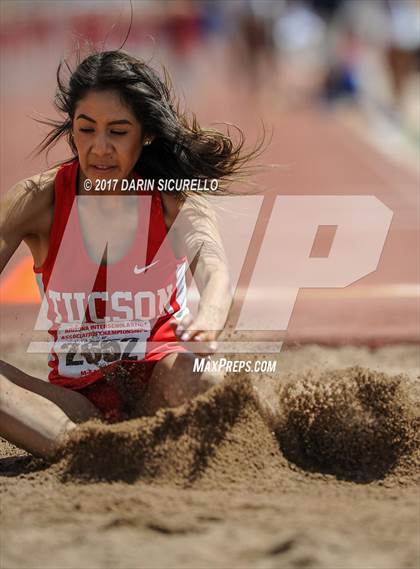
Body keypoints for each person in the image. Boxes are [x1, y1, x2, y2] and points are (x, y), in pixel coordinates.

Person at [0, 50, 260, 460]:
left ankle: (112, 454)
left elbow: (213, 268)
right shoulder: (38, 200)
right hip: (72, 408)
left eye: (117, 132)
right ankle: (98, 452)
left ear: (147, 134)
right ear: (72, 130)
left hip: (159, 384)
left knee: (206, 376)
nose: (99, 148)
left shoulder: (173, 200)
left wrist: (209, 317)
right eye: (86, 130)